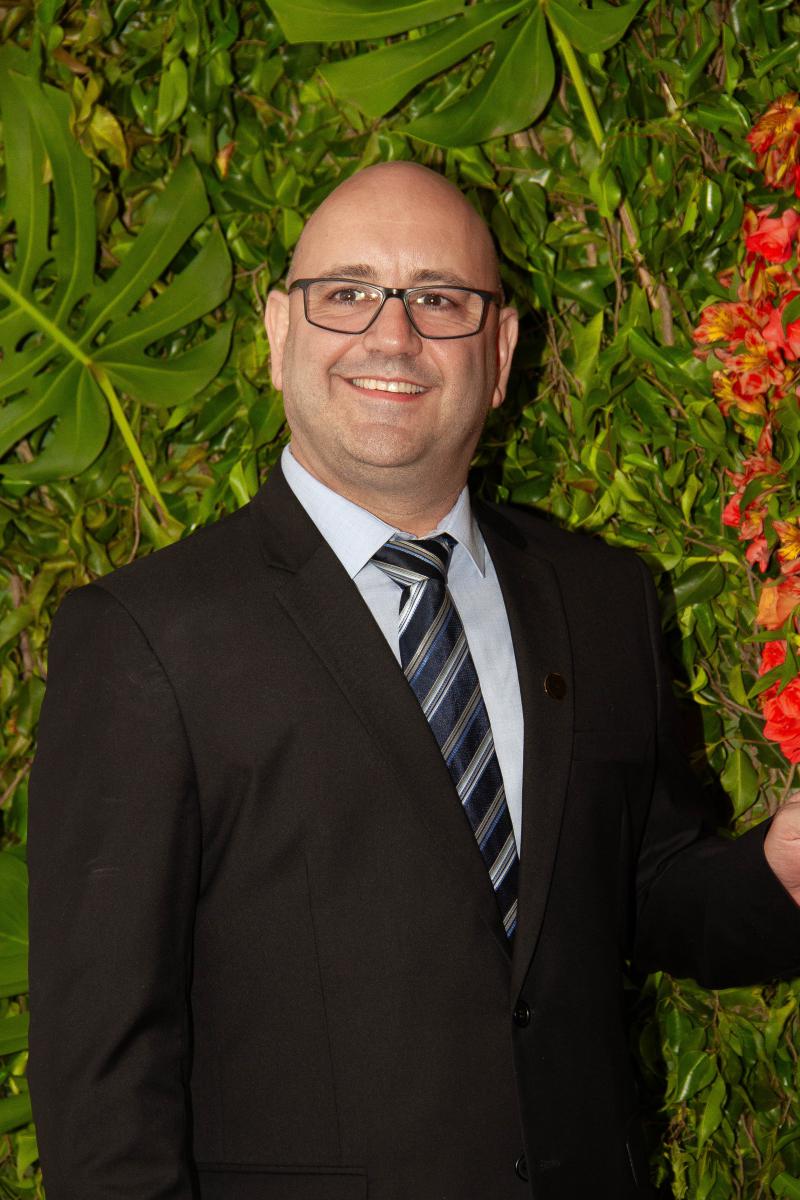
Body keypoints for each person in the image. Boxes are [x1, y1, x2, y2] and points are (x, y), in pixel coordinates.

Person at [27, 162, 800, 1200]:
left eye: (439, 299)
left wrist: (779, 872)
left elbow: (642, 891)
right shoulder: (146, 638)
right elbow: (104, 1085)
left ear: (500, 352)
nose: (391, 336)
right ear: (277, 333)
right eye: (346, 293)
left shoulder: (600, 598)